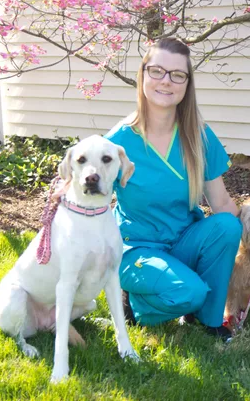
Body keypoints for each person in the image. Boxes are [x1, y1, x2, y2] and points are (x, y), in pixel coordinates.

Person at [104, 37, 242, 342]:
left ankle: (208, 318)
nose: (166, 81)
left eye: (177, 75)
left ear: (187, 83)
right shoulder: (118, 142)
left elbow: (221, 203)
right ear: (142, 76)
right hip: (138, 249)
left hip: (183, 242)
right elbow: (93, 203)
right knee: (188, 291)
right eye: (157, 71)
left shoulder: (198, 135)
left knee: (228, 226)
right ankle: (137, 303)